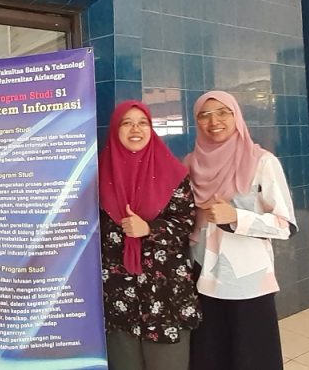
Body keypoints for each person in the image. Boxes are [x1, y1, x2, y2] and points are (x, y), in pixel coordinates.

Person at [184, 91, 297, 370]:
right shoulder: (190, 165)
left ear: (237, 116)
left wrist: (236, 217)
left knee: (252, 356)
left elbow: (285, 225)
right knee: (211, 355)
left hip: (248, 279)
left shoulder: (262, 162)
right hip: (202, 274)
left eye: (223, 112)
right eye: (205, 115)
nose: (214, 121)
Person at [98, 100, 201, 369]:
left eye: (142, 123)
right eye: (127, 123)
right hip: (118, 296)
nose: (136, 129)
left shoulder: (173, 173)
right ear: (115, 129)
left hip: (165, 293)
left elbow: (186, 221)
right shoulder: (97, 177)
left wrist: (149, 229)